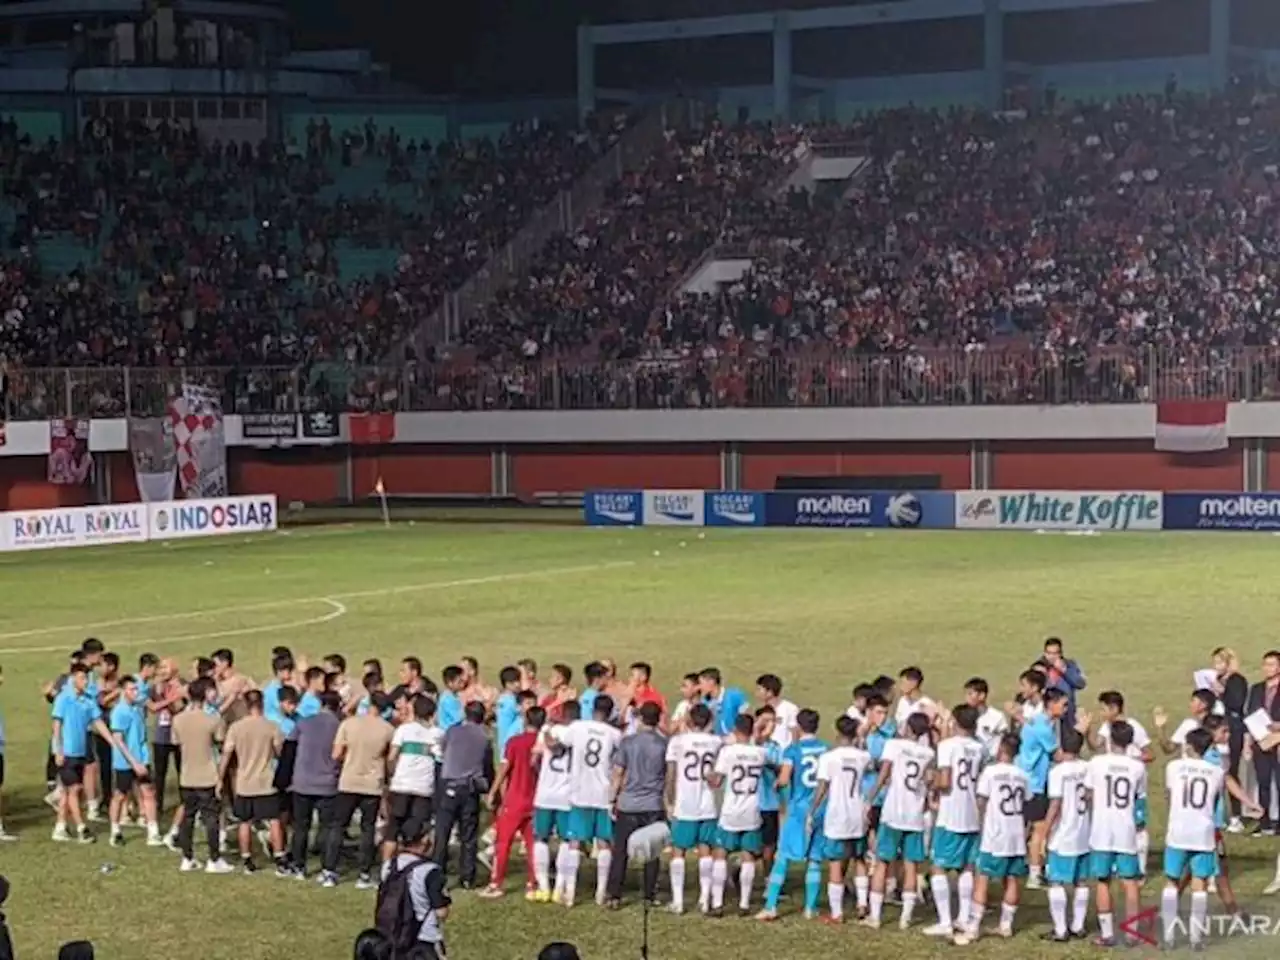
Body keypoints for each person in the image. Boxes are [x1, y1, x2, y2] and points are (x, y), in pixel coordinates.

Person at [954, 733, 1030, 945]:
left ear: (1001, 749)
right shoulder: (1023, 775)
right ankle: (1006, 925)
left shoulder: (991, 772)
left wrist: (980, 824)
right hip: (1016, 833)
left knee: (983, 876)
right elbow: (1027, 803)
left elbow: (982, 801)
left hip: (995, 833)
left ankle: (973, 927)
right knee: (1013, 878)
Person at [758, 708, 828, 921]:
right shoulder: (826, 748)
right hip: (821, 808)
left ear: (799, 727)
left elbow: (786, 778)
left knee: (784, 857)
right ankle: (810, 907)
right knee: (814, 859)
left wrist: (778, 783)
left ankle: (770, 906)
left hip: (799, 809)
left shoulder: (793, 750)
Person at [866, 712, 934, 930]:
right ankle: (906, 917)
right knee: (911, 866)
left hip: (893, 811)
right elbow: (929, 781)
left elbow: (884, 774)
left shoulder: (894, 745)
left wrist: (869, 798)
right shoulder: (928, 753)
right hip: (914, 814)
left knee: (882, 863)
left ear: (909, 728)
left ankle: (875, 917)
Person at [1160, 727, 1226, 950]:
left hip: (1178, 831)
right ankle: (1196, 938)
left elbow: (1170, 796)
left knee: (1171, 881)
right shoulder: (1216, 771)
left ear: (1189, 746)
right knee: (1200, 883)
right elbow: (1215, 801)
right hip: (1203, 833)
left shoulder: (1174, 767)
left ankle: (1169, 937)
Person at [553, 693, 620, 907]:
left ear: (592, 709)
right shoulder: (614, 734)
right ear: (610, 713)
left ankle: (570, 893)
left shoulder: (578, 727)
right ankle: (601, 892)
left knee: (574, 841)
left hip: (579, 792)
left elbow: (558, 742)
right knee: (603, 842)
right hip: (603, 793)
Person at [924, 704, 985, 937]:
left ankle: (945, 921)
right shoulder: (979, 749)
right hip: (971, 813)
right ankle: (963, 916)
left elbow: (946, 780)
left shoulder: (947, 746)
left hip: (950, 814)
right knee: (967, 867)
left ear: (956, 722)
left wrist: (930, 784)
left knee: (938, 866)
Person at [1085, 721, 1147, 947]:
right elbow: (1139, 797)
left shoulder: (1096, 763)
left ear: (1110, 739)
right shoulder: (1137, 767)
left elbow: (1089, 794)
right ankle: (1132, 932)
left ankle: (1108, 933)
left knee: (1103, 881)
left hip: (1102, 828)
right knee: (1129, 881)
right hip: (1126, 829)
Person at [605, 701, 668, 907]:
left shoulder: (628, 742)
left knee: (620, 851)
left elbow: (618, 773)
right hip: (653, 803)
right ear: (658, 720)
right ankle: (649, 894)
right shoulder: (663, 744)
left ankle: (614, 894)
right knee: (652, 852)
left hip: (628, 803)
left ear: (640, 718)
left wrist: (612, 798)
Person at [328, 696, 395, 888]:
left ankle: (329, 870)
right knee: (368, 829)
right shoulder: (388, 729)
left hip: (349, 781)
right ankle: (364, 874)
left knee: (338, 826)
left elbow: (336, 754)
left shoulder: (348, 724)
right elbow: (390, 760)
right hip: (372, 784)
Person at [811, 714, 872, 923]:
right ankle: (863, 903)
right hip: (858, 813)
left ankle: (837, 913)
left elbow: (822, 786)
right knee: (859, 858)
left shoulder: (829, 758)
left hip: (837, 815)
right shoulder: (863, 757)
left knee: (836, 862)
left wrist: (813, 809)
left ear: (837, 733)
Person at [218, 689, 286, 874]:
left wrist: (219, 779)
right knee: (274, 821)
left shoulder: (236, 728)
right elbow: (281, 753)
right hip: (266, 782)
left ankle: (247, 858)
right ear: (262, 703)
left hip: (244, 783)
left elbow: (226, 754)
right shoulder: (272, 726)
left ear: (246, 705)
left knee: (244, 822)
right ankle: (280, 856)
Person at [708, 713, 767, 916]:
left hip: (731, 809)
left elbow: (716, 781)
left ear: (735, 730)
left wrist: (708, 774)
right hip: (751, 809)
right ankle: (744, 904)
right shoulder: (760, 753)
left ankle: (717, 904)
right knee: (748, 855)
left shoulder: (728, 752)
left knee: (721, 853)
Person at [482, 705, 545, 898]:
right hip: (536, 800)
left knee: (503, 843)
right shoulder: (543, 745)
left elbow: (504, 769)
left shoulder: (515, 743)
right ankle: (533, 883)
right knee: (533, 844)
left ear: (526, 721)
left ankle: (496, 883)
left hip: (515, 799)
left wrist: (493, 792)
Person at [170, 678, 232, 873]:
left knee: (187, 818)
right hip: (207, 775)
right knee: (211, 817)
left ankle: (187, 858)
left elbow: (176, 742)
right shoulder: (213, 720)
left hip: (187, 775)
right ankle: (214, 859)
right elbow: (221, 743)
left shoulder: (178, 719)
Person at [665, 702, 721, 915]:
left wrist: (669, 800)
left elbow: (671, 774)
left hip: (685, 802)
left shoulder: (677, 742)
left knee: (678, 850)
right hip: (708, 803)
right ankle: (704, 899)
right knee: (706, 848)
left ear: (688, 721)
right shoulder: (716, 742)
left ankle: (678, 902)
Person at [52, 664, 115, 843]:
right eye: (82, 678)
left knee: (69, 792)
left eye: (87, 678)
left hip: (80, 752)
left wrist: (112, 741)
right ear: (73, 679)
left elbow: (98, 722)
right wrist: (58, 750)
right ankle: (82, 828)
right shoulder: (64, 698)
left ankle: (60, 827)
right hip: (66, 752)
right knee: (75, 789)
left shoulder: (87, 701)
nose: (85, 682)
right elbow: (57, 725)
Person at [433, 699, 494, 889]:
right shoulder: (484, 737)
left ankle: (437, 873)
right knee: (468, 835)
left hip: (449, 784)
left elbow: (442, 751)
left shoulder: (452, 731)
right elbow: (487, 766)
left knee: (442, 832)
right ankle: (467, 876)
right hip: (470, 788)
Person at [1042, 727, 1091, 942]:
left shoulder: (1057, 772)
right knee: (1081, 882)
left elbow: (1055, 804)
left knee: (1056, 882)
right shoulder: (1088, 768)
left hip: (1064, 832)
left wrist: (1044, 832)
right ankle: (1078, 925)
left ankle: (1061, 929)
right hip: (1085, 831)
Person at [1017, 687, 1067, 889]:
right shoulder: (1043, 728)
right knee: (1040, 828)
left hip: (1028, 779)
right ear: (1051, 704)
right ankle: (1035, 874)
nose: (1065, 708)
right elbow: (1058, 756)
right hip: (1034, 783)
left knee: (1026, 827)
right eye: (1063, 704)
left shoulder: (1040, 722)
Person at [378, 822, 451, 960]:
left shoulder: (388, 866)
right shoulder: (431, 871)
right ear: (424, 841)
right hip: (425, 938)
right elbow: (441, 912)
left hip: (393, 936)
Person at [289, 689, 341, 878]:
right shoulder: (339, 726)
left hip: (303, 781)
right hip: (328, 783)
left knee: (301, 826)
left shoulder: (304, 722)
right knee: (328, 827)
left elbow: (290, 745)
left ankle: (298, 866)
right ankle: (328, 868)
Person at [532, 700, 579, 903]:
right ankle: (559, 886)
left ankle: (543, 887)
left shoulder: (548, 730)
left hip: (545, 793)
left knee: (540, 838)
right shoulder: (579, 734)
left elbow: (534, 760)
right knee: (566, 841)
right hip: (567, 795)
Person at [107, 675, 161, 847]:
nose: (136, 692)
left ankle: (153, 831)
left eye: (136, 689)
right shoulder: (119, 712)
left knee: (149, 792)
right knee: (120, 795)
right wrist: (133, 762)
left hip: (141, 758)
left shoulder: (137, 709)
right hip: (125, 762)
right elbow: (118, 739)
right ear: (123, 691)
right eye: (132, 689)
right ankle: (115, 830)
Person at [385, 695, 441, 860]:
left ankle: (386, 870)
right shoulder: (436, 734)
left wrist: (392, 774)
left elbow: (391, 757)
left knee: (393, 829)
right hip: (423, 788)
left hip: (401, 785)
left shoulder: (403, 730)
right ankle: (413, 865)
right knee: (418, 831)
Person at [1211, 646, 1248, 830]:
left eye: (1219, 662)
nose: (1216, 666)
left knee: (1231, 771)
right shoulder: (1218, 679)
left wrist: (1222, 692)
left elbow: (1237, 704)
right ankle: (1218, 814)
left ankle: (1236, 816)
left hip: (1232, 729)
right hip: (1217, 728)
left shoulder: (1237, 680)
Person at [1246, 649, 1280, 835]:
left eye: (1272, 664)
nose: (1267, 668)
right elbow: (1250, 714)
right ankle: (1264, 819)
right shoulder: (1256, 689)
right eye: (1265, 664)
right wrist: (1248, 743)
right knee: (1263, 781)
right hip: (1260, 740)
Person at [1041, 638, 1087, 727]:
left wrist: (1064, 670)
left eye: (1055, 653)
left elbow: (1081, 684)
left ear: (1060, 653)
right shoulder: (1040, 667)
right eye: (1049, 653)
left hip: (1067, 714)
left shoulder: (1070, 665)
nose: (1052, 657)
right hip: (1047, 715)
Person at [964, 678, 1009, 760]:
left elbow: (1004, 740)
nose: (967, 698)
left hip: (991, 760)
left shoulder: (997, 716)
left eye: (970, 694)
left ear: (982, 695)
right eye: (967, 694)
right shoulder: (964, 716)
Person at [700, 668, 749, 737]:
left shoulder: (734, 695)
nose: (700, 687)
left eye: (701, 683)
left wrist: (735, 735)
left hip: (736, 739)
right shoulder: (704, 701)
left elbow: (746, 718)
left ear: (711, 682)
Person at [755, 674, 798, 748]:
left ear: (769, 692)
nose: (757, 693)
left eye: (760, 689)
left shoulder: (790, 709)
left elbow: (795, 733)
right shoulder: (761, 711)